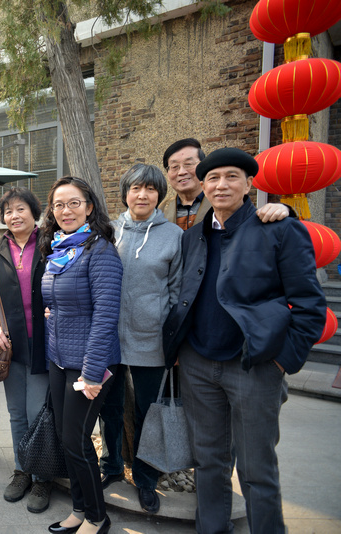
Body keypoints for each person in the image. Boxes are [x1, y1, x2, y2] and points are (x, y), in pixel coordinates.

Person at [162, 148, 326, 534]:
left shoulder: (279, 229)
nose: (222, 185)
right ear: (203, 186)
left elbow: (309, 304)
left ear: (249, 184)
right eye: (213, 178)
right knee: (209, 462)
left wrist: (284, 360)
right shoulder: (195, 237)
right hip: (199, 363)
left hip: (254, 365)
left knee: (256, 469)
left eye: (232, 176)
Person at [40, 177, 122, 534]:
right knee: (66, 438)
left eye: (74, 203)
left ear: (89, 207)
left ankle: (97, 517)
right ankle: (79, 508)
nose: (65, 211)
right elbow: (59, 302)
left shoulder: (100, 250)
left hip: (88, 364)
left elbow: (106, 314)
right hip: (59, 359)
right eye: (59, 204)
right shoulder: (60, 249)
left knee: (76, 440)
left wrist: (91, 373)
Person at [98, 165, 182, 514]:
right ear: (125, 193)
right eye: (135, 188)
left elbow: (177, 293)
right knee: (110, 408)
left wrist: (174, 340)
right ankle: (112, 466)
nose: (142, 195)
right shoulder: (107, 231)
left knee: (149, 411)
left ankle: (147, 480)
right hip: (108, 340)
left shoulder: (173, 235)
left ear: (160, 194)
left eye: (150, 189)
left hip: (152, 341)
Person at [0, 187, 51, 513]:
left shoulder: (51, 244)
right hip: (10, 348)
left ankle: (43, 477)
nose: (14, 216)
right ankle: (22, 472)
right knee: (17, 414)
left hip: (45, 347)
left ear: (34, 213)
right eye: (8, 211)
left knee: (38, 414)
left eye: (20, 209)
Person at [160, 138, 289, 229]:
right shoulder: (160, 209)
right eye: (174, 167)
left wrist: (284, 209)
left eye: (188, 164)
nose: (181, 172)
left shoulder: (224, 200)